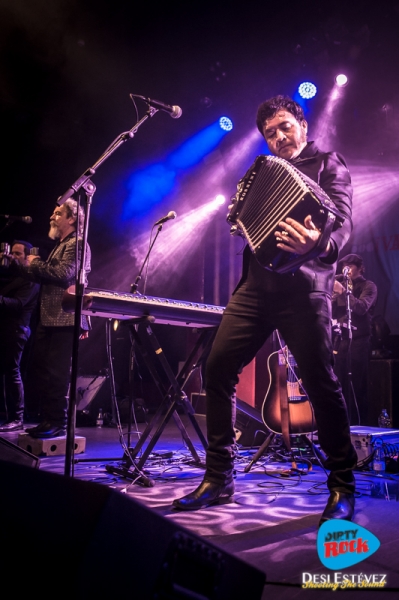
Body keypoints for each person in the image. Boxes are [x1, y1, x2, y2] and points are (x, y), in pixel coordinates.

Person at [173, 95, 358, 526]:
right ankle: (220, 476)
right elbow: (247, 220)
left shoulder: (328, 163)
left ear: (302, 125)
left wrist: (322, 244)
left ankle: (342, 484)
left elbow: (344, 221)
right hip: (256, 289)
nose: (279, 137)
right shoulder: (261, 172)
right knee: (216, 369)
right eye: (270, 133)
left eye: (284, 127)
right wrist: (241, 216)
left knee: (320, 382)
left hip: (304, 289)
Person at [10, 199, 91, 438]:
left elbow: (64, 274)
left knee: (56, 373)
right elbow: (46, 273)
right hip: (50, 316)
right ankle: (48, 419)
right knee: (43, 370)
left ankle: (57, 421)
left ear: (71, 219)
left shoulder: (77, 243)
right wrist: (20, 266)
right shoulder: (62, 244)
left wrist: (35, 264)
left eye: (57, 213)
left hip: (65, 317)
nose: (51, 217)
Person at [332, 254, 378, 425]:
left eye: (350, 266)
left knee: (356, 387)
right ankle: (339, 428)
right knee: (338, 386)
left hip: (359, 341)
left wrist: (344, 292)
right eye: (344, 266)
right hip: (339, 341)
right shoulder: (339, 285)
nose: (347, 270)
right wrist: (332, 298)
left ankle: (360, 426)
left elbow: (361, 308)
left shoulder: (369, 286)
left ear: (360, 268)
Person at [0, 241, 39, 432]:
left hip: (16, 329)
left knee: (12, 372)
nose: (12, 257)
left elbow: (18, 303)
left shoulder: (30, 279)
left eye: (17, 254)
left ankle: (17, 417)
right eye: (11, 253)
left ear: (26, 257)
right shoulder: (12, 276)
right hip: (6, 328)